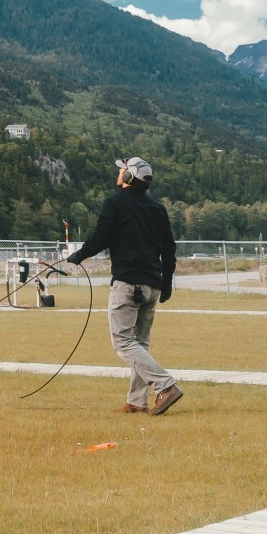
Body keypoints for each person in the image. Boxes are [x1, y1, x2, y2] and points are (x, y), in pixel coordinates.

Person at [62, 156, 182, 416]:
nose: (118, 173)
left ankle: (165, 386)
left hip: (127, 284)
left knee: (123, 342)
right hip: (152, 286)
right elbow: (169, 249)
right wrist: (166, 284)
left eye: (122, 170)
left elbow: (100, 238)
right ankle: (137, 402)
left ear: (129, 177)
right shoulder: (158, 208)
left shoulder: (114, 203)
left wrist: (78, 255)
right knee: (140, 343)